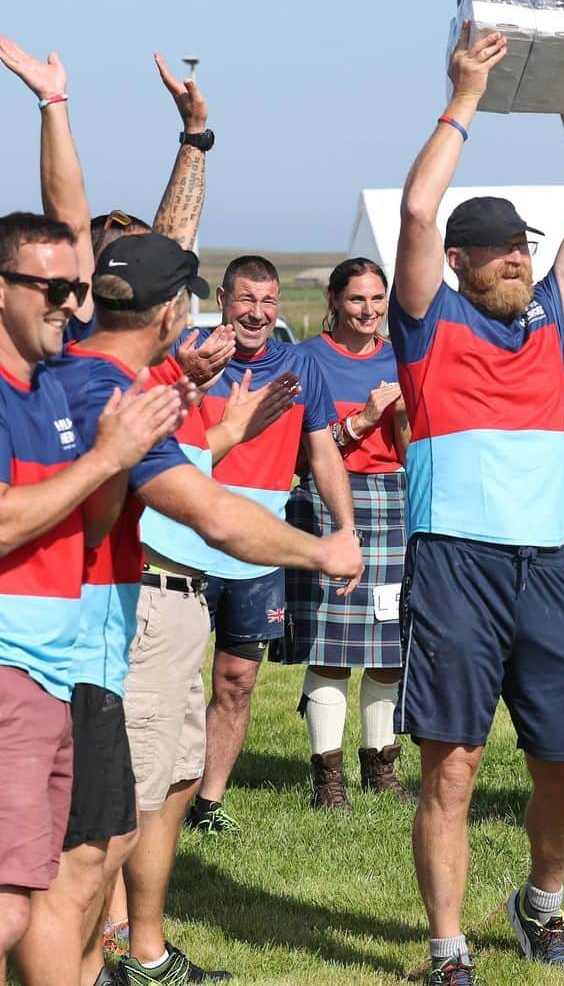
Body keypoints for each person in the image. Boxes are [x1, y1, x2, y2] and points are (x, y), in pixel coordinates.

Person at [23, 233, 362, 986]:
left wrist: (219, 416)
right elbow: (209, 511)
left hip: (169, 605)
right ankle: (113, 955)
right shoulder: (109, 386)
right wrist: (322, 550)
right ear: (175, 308)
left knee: (158, 790)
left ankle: (136, 952)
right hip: (138, 607)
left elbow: (190, 468)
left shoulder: (131, 380)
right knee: (87, 846)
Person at [390, 23, 564, 984]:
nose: (512, 262)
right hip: (454, 561)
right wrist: (466, 95)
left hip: (546, 562)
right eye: (489, 253)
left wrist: (563, 83)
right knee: (453, 766)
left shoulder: (551, 326)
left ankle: (540, 905)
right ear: (457, 262)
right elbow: (415, 204)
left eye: (517, 249)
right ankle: (448, 949)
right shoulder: (426, 324)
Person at [0, 212, 182, 985]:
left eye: (77, 288)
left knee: (61, 874)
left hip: (51, 669)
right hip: (17, 667)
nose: (70, 303)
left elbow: (92, 518)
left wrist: (116, 461)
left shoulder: (50, 388)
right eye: (50, 287)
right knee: (19, 901)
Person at [183, 254, 356, 834]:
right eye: (245, 300)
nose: (256, 313)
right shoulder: (192, 354)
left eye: (267, 301)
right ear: (223, 301)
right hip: (186, 539)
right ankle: (160, 798)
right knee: (173, 677)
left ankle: (208, 804)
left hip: (259, 551)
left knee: (237, 681)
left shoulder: (302, 365)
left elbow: (324, 453)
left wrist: (345, 527)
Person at [271, 257, 412, 808]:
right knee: (331, 644)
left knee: (388, 642)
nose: (369, 311)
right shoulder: (304, 359)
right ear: (333, 300)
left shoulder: (400, 357)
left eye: (378, 300)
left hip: (394, 502)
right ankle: (327, 779)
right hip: (326, 503)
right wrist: (360, 422)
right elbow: (300, 445)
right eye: (357, 299)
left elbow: (413, 441)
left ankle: (381, 767)